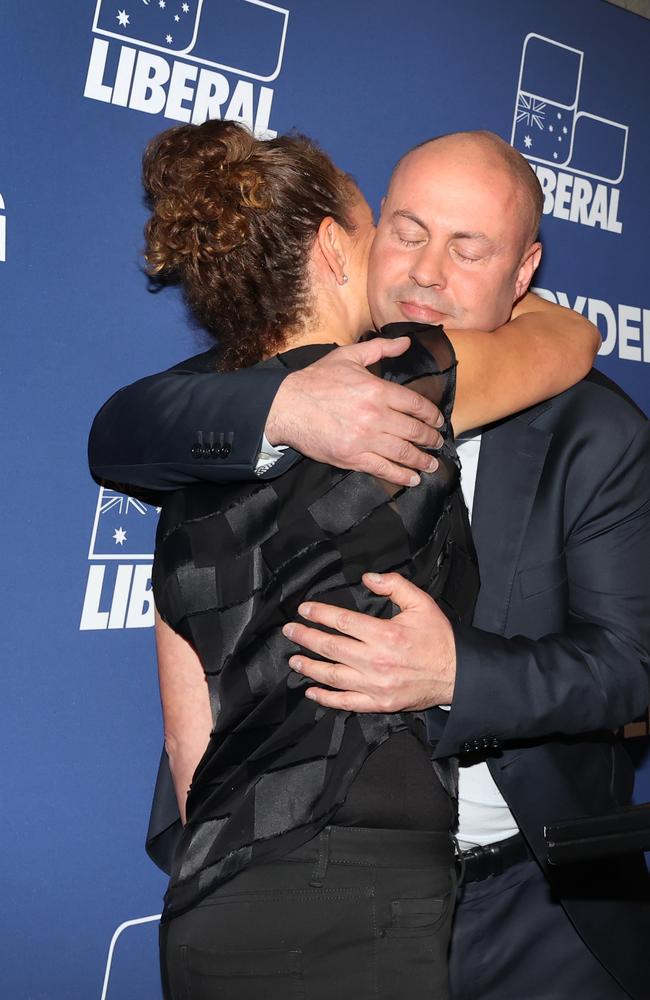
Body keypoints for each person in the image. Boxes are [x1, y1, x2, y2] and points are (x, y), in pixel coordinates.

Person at [88, 126, 605, 999]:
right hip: (363, 897)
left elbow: (188, 741)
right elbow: (571, 340)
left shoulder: (190, 465)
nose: (408, 266)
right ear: (331, 248)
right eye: (383, 232)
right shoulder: (410, 383)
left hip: (215, 904)